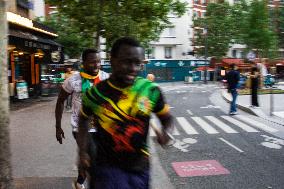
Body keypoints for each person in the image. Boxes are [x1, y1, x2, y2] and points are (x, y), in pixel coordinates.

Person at [77, 37, 173, 189]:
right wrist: (82, 153)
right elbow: (82, 119)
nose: (134, 68)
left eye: (138, 63)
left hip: (140, 170)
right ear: (112, 60)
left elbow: (167, 118)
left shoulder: (150, 90)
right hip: (106, 169)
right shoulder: (95, 94)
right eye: (127, 62)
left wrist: (165, 132)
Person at [55, 49, 109, 189]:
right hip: (80, 127)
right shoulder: (72, 80)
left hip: (102, 127)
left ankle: (79, 180)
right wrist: (58, 127)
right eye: (92, 62)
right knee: (92, 157)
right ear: (83, 63)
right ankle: (87, 179)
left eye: (98, 61)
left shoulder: (106, 78)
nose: (96, 65)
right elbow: (60, 101)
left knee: (91, 156)